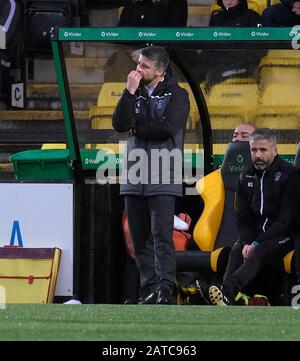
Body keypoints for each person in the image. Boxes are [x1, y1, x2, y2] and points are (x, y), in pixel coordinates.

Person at [112, 46, 190, 304]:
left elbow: (167, 127)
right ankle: (149, 291)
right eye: (138, 65)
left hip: (163, 173)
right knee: (139, 238)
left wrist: (137, 126)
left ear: (160, 70)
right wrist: (129, 92)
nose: (138, 70)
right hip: (134, 175)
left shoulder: (178, 95)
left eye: (144, 66)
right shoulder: (133, 92)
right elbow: (119, 124)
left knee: (162, 237)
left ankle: (166, 291)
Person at [209, 128, 300, 306]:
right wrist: (246, 242)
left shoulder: (290, 175)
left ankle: (227, 292)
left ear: (275, 150)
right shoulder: (245, 175)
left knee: (258, 251)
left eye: (263, 150)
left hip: (284, 236)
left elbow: (285, 221)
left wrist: (256, 243)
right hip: (256, 236)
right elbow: (243, 218)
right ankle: (227, 297)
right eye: (254, 150)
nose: (258, 155)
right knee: (236, 249)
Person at [198, 0, 266, 90]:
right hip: (218, 66)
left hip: (243, 66)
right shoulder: (217, 18)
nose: (229, 1)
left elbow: (259, 48)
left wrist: (237, 58)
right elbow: (208, 48)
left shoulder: (252, 17)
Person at [118, 0, 188, 27]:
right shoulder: (134, 3)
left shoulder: (177, 3)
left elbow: (175, 35)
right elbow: (122, 33)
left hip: (161, 54)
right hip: (131, 50)